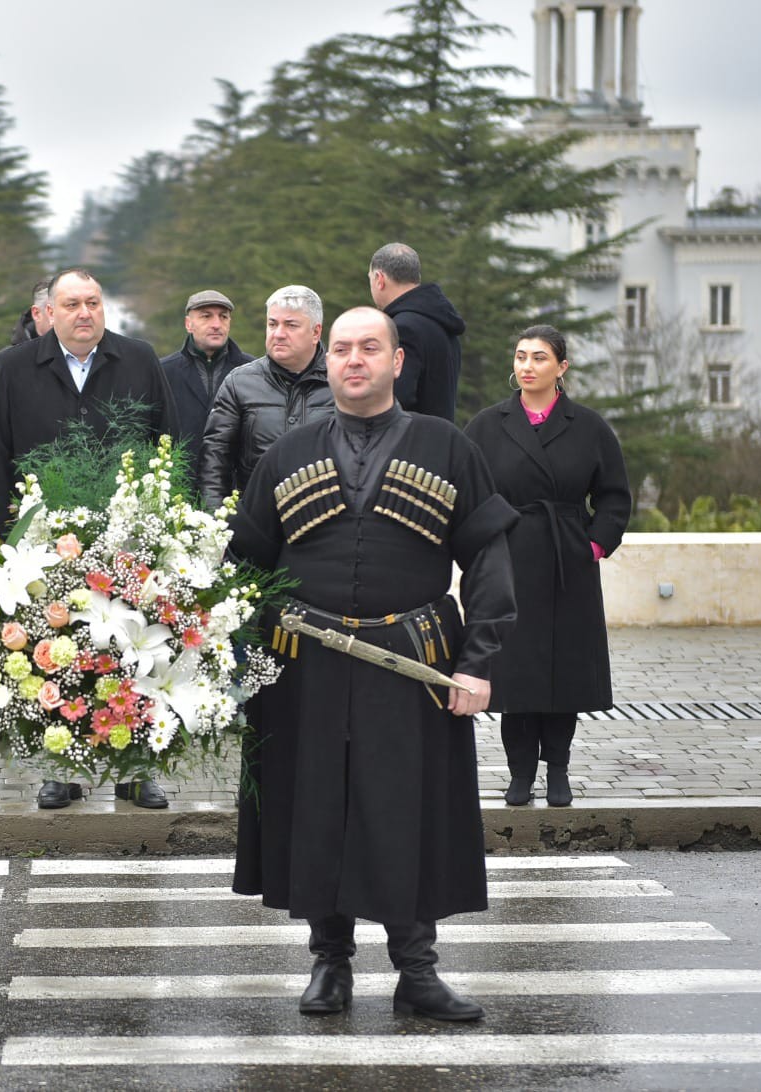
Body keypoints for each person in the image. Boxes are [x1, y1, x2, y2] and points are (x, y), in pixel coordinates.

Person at [228, 306, 517, 1022]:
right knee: (316, 809)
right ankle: (330, 965)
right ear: (327, 362)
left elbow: (488, 561)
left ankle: (417, 971)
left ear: (397, 362)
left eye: (370, 348)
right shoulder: (286, 455)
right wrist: (234, 665)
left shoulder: (447, 447)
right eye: (344, 350)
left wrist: (478, 662)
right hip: (305, 668)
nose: (354, 360)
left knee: (406, 813)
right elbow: (243, 569)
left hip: (413, 666)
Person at [0, 267, 178, 811]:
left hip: (128, 531)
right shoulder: (15, 367)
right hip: (45, 535)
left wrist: (169, 518)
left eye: (93, 302)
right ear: (49, 312)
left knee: (134, 651)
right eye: (72, 304)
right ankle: (61, 769)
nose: (84, 313)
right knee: (56, 651)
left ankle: (136, 771)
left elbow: (168, 438)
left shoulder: (137, 359)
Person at [464, 325, 632, 807]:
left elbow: (615, 497)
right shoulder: (487, 424)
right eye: (520, 356)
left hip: (568, 564)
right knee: (515, 674)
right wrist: (484, 545)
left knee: (565, 674)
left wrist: (593, 547)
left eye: (539, 358)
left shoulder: (589, 427)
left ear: (561, 367)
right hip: (510, 563)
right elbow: (467, 490)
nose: (527, 366)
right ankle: (520, 774)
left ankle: (558, 769)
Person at [198, 285, 335, 510]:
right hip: (256, 523)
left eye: (291, 325)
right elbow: (214, 462)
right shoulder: (239, 383)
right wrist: (218, 525)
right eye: (272, 324)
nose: (278, 333)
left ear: (316, 332)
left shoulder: (342, 381)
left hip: (326, 523)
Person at [159, 289, 252, 497]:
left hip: (237, 494)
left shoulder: (253, 372)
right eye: (206, 316)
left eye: (223, 316)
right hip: (179, 494)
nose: (216, 324)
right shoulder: (162, 372)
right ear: (188, 324)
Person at [368, 242, 465, 422]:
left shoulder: (402, 329)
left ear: (379, 279)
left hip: (409, 443)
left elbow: (398, 398)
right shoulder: (443, 322)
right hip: (441, 438)